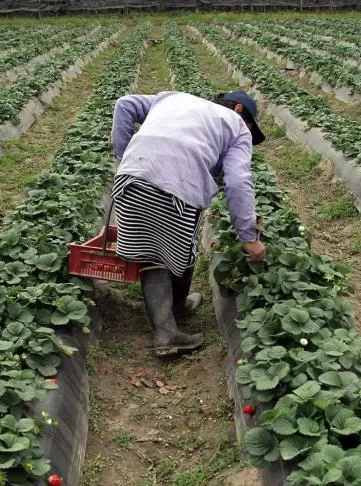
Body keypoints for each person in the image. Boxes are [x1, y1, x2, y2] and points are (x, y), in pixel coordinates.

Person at [110, 89, 267, 358]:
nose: (249, 133)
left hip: (130, 180)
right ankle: (172, 325)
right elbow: (239, 182)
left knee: (149, 254)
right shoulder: (237, 126)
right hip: (179, 189)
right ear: (240, 111)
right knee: (181, 250)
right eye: (252, 125)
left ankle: (172, 318)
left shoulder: (173, 98)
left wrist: (125, 156)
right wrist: (248, 237)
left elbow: (125, 104)